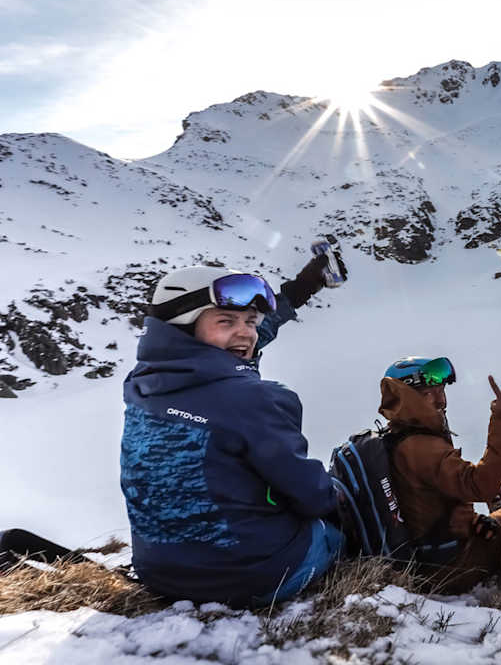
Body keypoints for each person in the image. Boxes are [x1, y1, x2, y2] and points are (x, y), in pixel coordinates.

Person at [120, 252, 347, 607]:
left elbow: (226, 353)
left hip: (159, 573)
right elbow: (312, 496)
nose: (246, 333)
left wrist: (303, 288)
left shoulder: (144, 383)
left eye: (252, 322)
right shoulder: (256, 400)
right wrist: (337, 496)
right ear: (183, 327)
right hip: (255, 578)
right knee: (336, 516)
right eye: (226, 321)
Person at [378, 357, 501, 592]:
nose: (441, 399)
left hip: (431, 557)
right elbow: (480, 485)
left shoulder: (399, 438)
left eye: (441, 389)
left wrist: (470, 519)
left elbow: (429, 503)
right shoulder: (421, 446)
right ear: (411, 395)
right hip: (448, 568)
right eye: (431, 392)